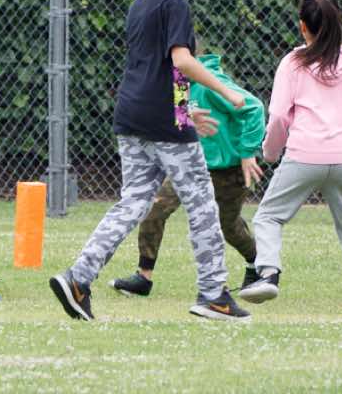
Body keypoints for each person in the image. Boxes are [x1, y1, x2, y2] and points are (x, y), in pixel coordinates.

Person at [49, 0, 254, 322]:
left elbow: (156, 69)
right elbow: (181, 62)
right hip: (163, 124)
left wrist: (184, 111)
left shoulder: (139, 5)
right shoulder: (175, 4)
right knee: (202, 205)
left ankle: (77, 278)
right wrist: (226, 92)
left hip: (132, 117)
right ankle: (213, 295)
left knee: (133, 202)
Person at [243, 0, 342, 309]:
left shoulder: (292, 63)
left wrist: (270, 152)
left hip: (304, 155)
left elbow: (279, 116)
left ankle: (268, 275)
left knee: (269, 216)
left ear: (302, 26)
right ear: (338, 22)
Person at [111, 45, 265, 299]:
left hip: (227, 171)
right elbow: (180, 121)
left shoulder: (211, 84)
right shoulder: (179, 84)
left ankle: (256, 264)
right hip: (190, 164)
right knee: (154, 208)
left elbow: (254, 108)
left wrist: (247, 152)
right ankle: (143, 277)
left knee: (228, 225)